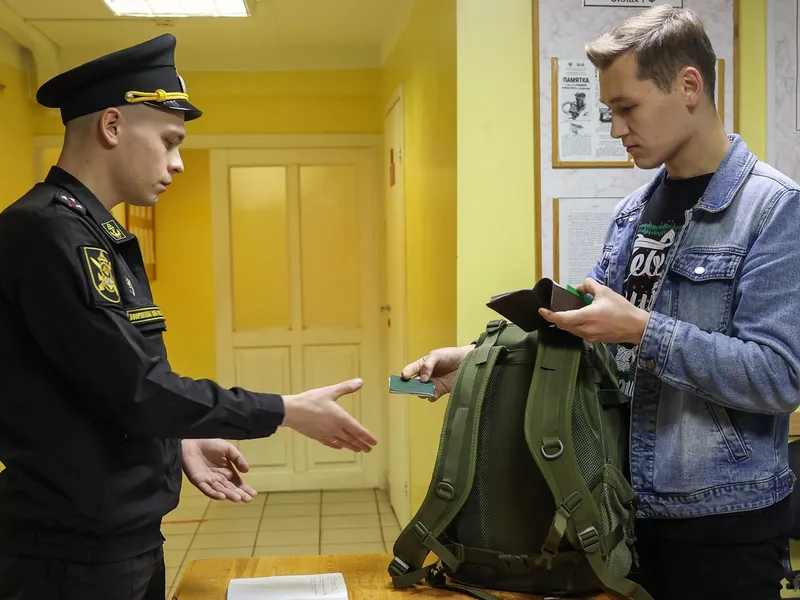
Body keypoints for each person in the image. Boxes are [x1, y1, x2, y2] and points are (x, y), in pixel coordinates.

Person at [401, 6, 800, 600]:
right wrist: (472, 363)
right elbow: (589, 345)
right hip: (616, 513)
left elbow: (779, 377)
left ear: (689, 86)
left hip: (722, 528)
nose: (616, 128)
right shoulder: (631, 213)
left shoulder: (774, 210)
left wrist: (643, 330)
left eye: (626, 107)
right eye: (611, 111)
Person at [0, 33, 377, 600]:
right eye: (170, 141)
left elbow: (92, 387)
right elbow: (137, 388)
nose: (177, 163)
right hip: (71, 556)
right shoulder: (48, 232)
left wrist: (177, 442)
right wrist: (286, 411)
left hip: (117, 537)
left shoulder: (93, 233)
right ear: (111, 126)